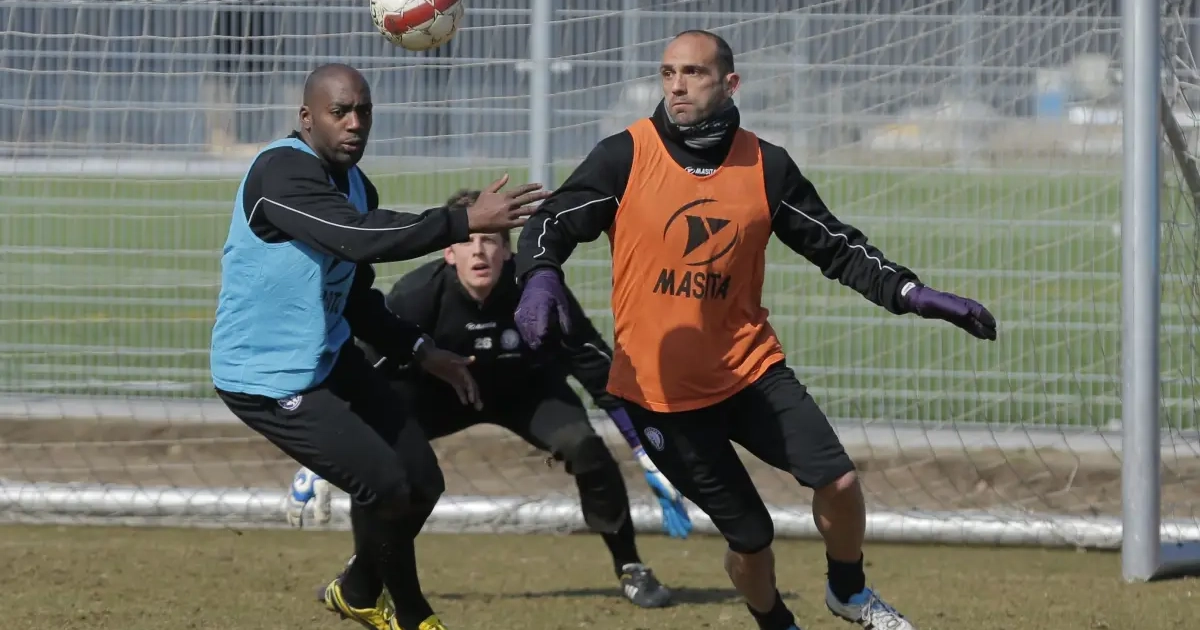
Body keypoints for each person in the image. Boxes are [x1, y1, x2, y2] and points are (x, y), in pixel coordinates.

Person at [511, 31, 997, 630]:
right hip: (660, 397)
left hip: (749, 371)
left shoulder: (766, 166)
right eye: (667, 73)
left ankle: (848, 591)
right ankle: (777, 624)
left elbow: (837, 247)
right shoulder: (625, 155)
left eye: (693, 73)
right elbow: (551, 222)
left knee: (840, 481)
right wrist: (539, 275)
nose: (677, 86)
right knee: (752, 539)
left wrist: (911, 294)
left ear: (730, 83)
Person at [209, 62, 550, 630]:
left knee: (423, 482)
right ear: (307, 117)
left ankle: (358, 590)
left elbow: (356, 294)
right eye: (339, 111)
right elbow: (358, 237)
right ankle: (413, 616)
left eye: (363, 111)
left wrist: (420, 350)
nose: (354, 123)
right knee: (386, 486)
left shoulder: (357, 185)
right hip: (267, 376)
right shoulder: (280, 172)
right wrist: (463, 221)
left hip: (329, 356)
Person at [285, 190, 690, 611]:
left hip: (527, 393)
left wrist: (645, 449)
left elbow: (594, 366)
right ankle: (363, 573)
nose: (478, 251)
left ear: (508, 252)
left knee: (585, 447)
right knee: (384, 463)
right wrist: (327, 450)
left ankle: (630, 566)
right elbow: (363, 369)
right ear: (449, 252)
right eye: (467, 239)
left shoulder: (534, 291)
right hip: (434, 394)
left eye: (490, 240)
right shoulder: (418, 295)